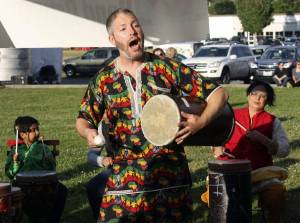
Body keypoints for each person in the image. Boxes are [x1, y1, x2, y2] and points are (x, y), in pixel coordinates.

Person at [76, 8, 228, 222]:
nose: (132, 32)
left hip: (171, 177)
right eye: (123, 28)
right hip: (124, 179)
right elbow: (83, 118)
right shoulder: (103, 79)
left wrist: (200, 122)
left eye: (135, 25)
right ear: (112, 38)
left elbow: (218, 93)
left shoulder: (166, 67)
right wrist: (89, 132)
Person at [212, 80, 289, 223]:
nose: (257, 98)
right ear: (248, 95)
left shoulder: (272, 121)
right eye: (254, 93)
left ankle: (270, 217)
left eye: (263, 96)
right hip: (230, 170)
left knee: (276, 192)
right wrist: (217, 147)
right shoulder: (231, 116)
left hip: (261, 172)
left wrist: (264, 140)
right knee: (216, 193)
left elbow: (284, 150)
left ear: (268, 101)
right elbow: (215, 136)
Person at [5, 116, 67, 223]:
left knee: (62, 190)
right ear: (22, 134)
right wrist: (15, 162)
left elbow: (51, 169)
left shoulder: (42, 147)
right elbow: (9, 174)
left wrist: (49, 160)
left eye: (37, 129)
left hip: (43, 183)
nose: (38, 132)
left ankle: (52, 220)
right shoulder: (16, 151)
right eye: (33, 130)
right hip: (21, 185)